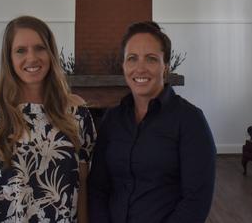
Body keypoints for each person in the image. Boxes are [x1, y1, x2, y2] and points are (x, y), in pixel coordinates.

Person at [0, 15, 96, 223]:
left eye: (40, 48)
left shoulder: (76, 112)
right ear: (9, 58)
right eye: (21, 50)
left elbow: (82, 188)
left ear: (51, 53)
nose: (32, 58)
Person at [88, 21, 216, 223]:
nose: (140, 68)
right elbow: (97, 188)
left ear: (166, 66)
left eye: (151, 59)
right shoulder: (112, 120)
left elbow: (196, 201)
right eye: (132, 58)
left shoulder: (191, 121)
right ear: (123, 66)